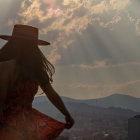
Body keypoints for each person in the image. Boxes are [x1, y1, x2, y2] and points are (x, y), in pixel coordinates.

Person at [0, 24, 74, 140]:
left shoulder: (5, 67)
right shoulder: (37, 71)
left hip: (8, 123)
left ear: (13, 44)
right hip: (28, 124)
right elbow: (52, 95)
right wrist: (67, 115)